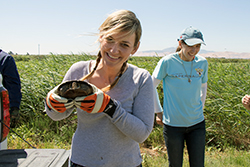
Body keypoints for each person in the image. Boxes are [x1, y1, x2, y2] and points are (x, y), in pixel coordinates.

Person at [45, 10, 154, 167]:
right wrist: (53, 103)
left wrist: (110, 107)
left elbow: (141, 134)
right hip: (82, 162)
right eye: (110, 40)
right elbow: (56, 115)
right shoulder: (79, 71)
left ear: (135, 48)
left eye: (124, 44)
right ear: (101, 37)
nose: (114, 50)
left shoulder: (141, 78)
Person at [152, 26, 208, 167]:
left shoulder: (202, 63)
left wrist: (201, 108)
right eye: (190, 45)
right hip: (173, 126)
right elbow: (150, 86)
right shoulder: (167, 62)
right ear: (180, 43)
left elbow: (203, 87)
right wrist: (158, 111)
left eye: (197, 46)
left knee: (198, 164)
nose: (194, 50)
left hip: (197, 125)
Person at [0, 49, 22, 150]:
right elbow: (13, 86)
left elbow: (12, 87)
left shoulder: (4, 59)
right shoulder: (5, 58)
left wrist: (14, 108)